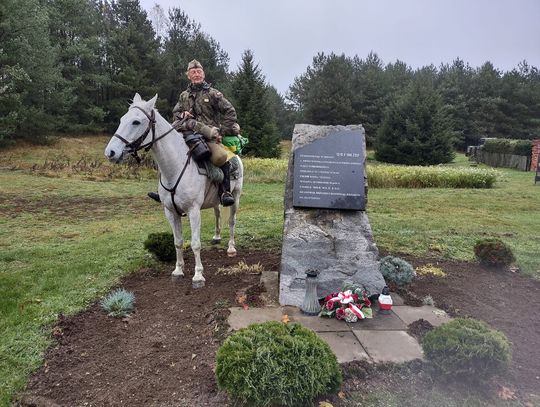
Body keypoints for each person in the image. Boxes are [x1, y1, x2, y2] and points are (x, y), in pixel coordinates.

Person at [148, 59, 240, 207]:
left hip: (209, 135)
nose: (196, 74)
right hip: (187, 133)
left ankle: (225, 192)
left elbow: (230, 112)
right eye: (193, 72)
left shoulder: (213, 94)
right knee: (168, 153)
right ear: (188, 76)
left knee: (220, 157)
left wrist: (222, 131)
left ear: (203, 74)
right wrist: (182, 114)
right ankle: (164, 192)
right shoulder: (184, 95)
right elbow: (176, 113)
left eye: (199, 72)